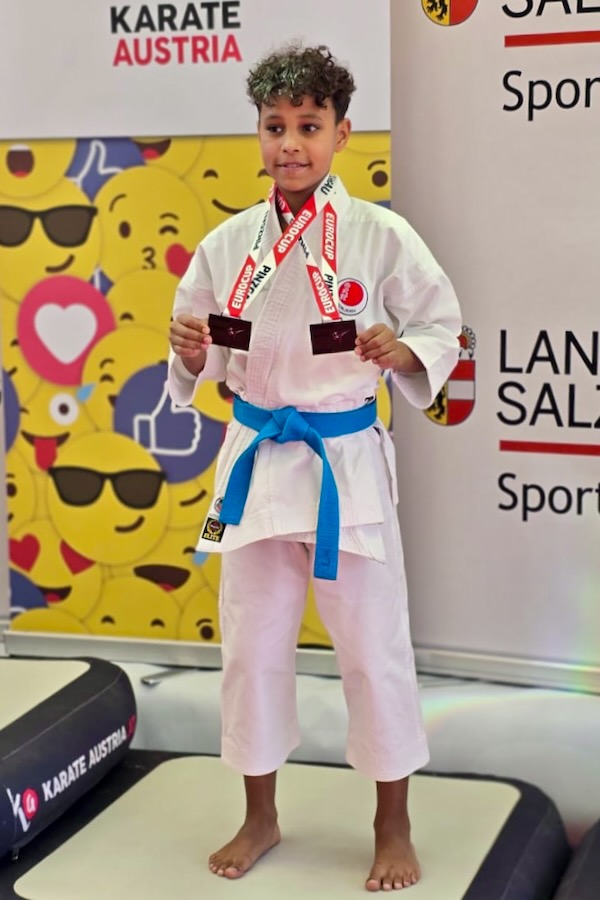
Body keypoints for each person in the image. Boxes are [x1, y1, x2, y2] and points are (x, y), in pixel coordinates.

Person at [168, 43, 461, 893]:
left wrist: (403, 348)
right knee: (251, 647)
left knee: (373, 647)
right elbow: (202, 345)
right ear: (258, 134)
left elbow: (441, 326)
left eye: (308, 126)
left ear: (341, 134)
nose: (290, 144)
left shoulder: (381, 234)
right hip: (256, 459)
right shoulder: (229, 242)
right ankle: (259, 814)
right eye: (275, 127)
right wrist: (190, 350)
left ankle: (392, 822)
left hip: (343, 462)